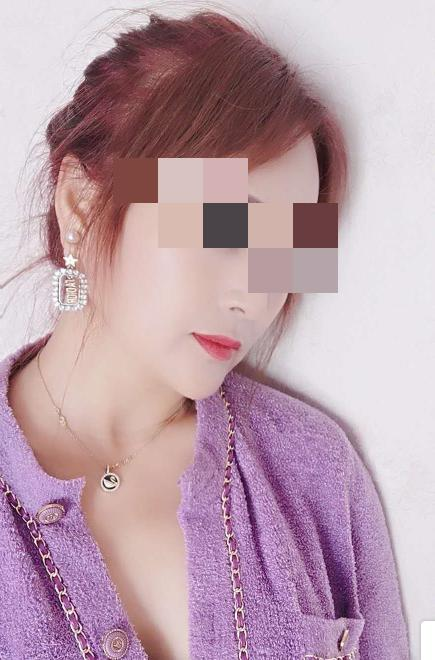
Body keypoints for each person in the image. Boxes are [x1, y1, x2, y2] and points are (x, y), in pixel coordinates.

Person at [0, 7, 409, 660]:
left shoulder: (313, 471)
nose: (254, 295)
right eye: (224, 225)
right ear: (81, 203)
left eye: (286, 248)